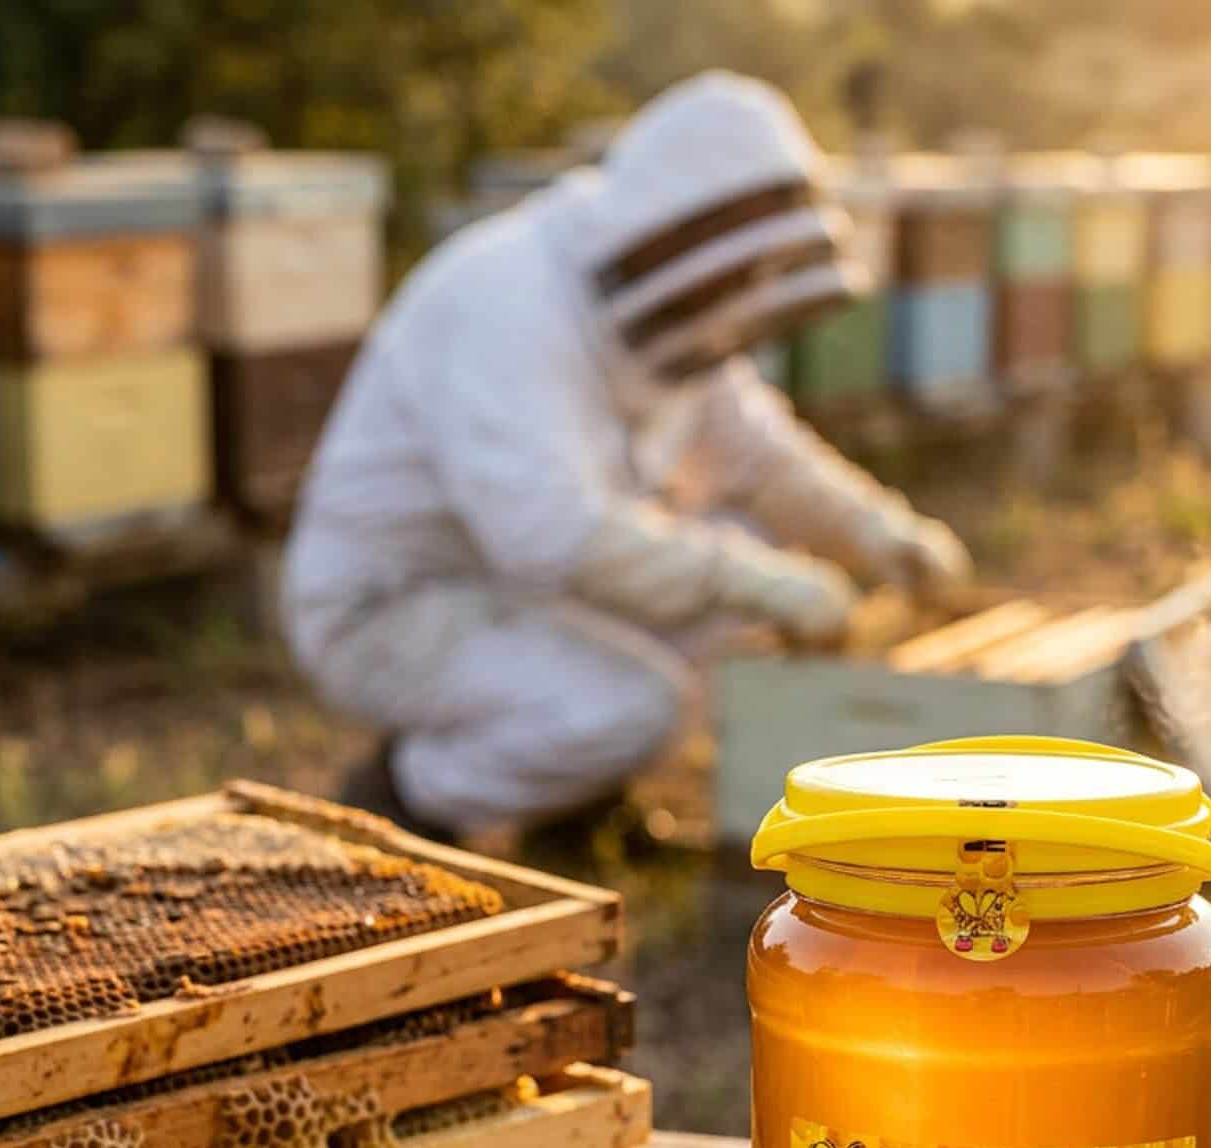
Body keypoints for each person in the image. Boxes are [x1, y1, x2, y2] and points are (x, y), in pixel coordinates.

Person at [283, 70, 973, 843]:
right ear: (682, 228)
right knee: (632, 703)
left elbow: (761, 454)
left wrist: (879, 530)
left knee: (739, 609)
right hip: (396, 607)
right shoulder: (506, 298)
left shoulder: (674, 307)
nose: (745, 291)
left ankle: (573, 805)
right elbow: (549, 532)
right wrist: (750, 579)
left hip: (519, 588)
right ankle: (404, 800)